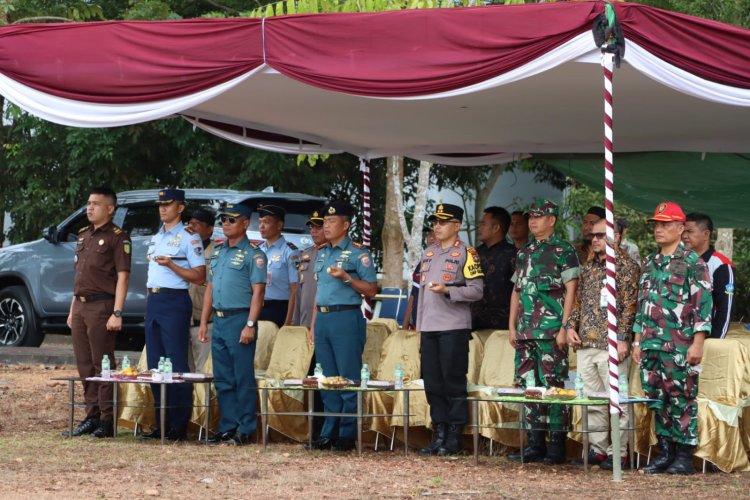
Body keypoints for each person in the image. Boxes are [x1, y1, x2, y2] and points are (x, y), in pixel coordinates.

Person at [633, 201, 712, 475]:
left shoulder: (693, 263)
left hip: (679, 344)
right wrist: (636, 339)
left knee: (682, 398)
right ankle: (664, 453)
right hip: (651, 343)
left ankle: (683, 456)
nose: (659, 229)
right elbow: (642, 303)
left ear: (681, 228)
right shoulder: (650, 262)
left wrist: (698, 342)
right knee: (657, 399)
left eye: (665, 224)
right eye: (656, 224)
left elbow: (702, 304)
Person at [507, 198, 579, 465]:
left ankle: (557, 444)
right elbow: (516, 291)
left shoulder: (563, 250)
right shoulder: (524, 251)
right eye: (530, 217)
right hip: (525, 332)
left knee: (554, 388)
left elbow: (572, 290)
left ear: (552, 220)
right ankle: (535, 442)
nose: (533, 221)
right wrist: (511, 326)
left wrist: (564, 326)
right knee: (528, 387)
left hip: (551, 332)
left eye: (539, 216)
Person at [566, 218, 639, 469]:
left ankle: (618, 451)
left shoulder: (626, 266)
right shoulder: (588, 266)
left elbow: (630, 307)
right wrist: (570, 327)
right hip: (586, 342)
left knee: (616, 400)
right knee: (593, 400)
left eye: (600, 235)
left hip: (611, 345)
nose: (595, 239)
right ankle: (597, 449)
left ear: (617, 236)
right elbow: (579, 301)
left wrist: (622, 339)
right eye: (592, 236)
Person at [306, 201, 377, 452]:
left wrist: (347, 278)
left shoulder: (359, 253)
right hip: (324, 319)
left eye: (331, 221)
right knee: (326, 380)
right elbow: (320, 292)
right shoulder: (322, 252)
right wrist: (314, 324)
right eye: (324, 221)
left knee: (347, 379)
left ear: (345, 225)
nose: (326, 225)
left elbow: (371, 289)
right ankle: (328, 433)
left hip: (346, 318)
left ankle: (346, 435)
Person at [416, 203, 484, 456]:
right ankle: (439, 433)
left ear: (456, 226)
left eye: (443, 222)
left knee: (452, 381)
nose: (437, 226)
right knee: (432, 382)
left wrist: (448, 291)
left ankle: (455, 436)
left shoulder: (467, 253)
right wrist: (419, 326)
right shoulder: (429, 253)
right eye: (435, 221)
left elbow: (477, 291)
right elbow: (422, 295)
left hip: (454, 327)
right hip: (429, 327)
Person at [65, 187, 131, 439]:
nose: (89, 208)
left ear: (110, 208)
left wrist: (117, 311)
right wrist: (73, 309)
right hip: (81, 306)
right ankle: (91, 416)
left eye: (95, 204)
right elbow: (79, 277)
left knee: (102, 363)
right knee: (84, 364)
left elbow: (123, 277)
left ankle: (107, 419)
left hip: (102, 306)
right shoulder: (83, 236)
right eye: (88, 203)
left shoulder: (118, 237)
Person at [141, 188, 206, 441]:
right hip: (155, 300)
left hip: (175, 300)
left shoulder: (189, 237)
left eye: (168, 204)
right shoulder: (158, 236)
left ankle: (178, 425)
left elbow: (200, 276)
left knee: (176, 364)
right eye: (160, 205)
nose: (162, 208)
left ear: (180, 208)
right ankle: (161, 423)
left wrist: (172, 265)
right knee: (155, 365)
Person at [199, 203, 267, 445]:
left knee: (242, 377)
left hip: (240, 318)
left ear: (245, 223)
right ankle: (227, 426)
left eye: (231, 220)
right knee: (222, 377)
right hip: (219, 319)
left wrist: (250, 324)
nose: (226, 224)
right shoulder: (218, 252)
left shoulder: (254, 255)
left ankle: (245, 428)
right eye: (224, 220)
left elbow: (258, 293)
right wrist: (205, 320)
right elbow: (209, 288)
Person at [683, 212, 734, 339]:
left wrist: (714, 342)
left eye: (689, 231)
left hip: (705, 339)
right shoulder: (678, 261)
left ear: (706, 234)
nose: (684, 236)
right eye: (683, 231)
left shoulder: (721, 265)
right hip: (677, 340)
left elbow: (725, 309)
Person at [471, 206, 516, 330]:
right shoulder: (473, 254)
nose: (479, 228)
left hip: (503, 328)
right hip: (473, 326)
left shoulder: (514, 254)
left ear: (496, 228)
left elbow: (520, 291)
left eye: (483, 224)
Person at [258, 204, 299, 327]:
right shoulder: (258, 250)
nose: (261, 226)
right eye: (260, 222)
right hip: (257, 306)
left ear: (279, 225)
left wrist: (288, 322)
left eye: (266, 222)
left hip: (279, 309)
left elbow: (295, 289)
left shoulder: (290, 252)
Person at [187, 208, 217, 372]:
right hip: (182, 317)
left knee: (203, 369)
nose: (191, 227)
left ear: (209, 228)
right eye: (189, 223)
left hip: (204, 321)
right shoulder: (183, 248)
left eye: (196, 224)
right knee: (182, 370)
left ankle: (201, 399)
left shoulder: (216, 252)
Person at [292, 208, 327, 329]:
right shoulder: (306, 254)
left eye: (318, 228)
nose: (313, 232)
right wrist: (295, 321)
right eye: (311, 227)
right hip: (304, 320)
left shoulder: (333, 254)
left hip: (324, 321)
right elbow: (299, 292)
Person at [402, 227, 436, 330]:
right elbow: (413, 295)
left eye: (434, 234)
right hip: (416, 326)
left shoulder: (450, 261)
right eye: (429, 235)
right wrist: (404, 328)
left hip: (435, 327)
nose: (431, 238)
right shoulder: (423, 261)